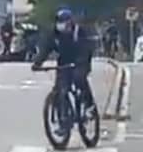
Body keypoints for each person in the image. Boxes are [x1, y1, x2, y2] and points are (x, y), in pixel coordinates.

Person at [31, 8, 96, 136]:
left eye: (65, 22)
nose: (63, 25)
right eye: (60, 22)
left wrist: (81, 61)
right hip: (64, 63)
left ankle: (89, 107)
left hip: (80, 61)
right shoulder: (54, 34)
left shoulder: (79, 32)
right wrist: (37, 63)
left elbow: (86, 48)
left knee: (79, 79)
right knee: (60, 90)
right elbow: (45, 49)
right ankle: (64, 122)